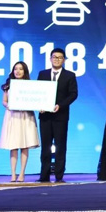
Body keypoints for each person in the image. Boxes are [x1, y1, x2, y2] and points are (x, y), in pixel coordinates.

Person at [37, 48, 78, 183]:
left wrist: (60, 105)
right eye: (54, 57)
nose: (57, 59)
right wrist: (39, 105)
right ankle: (44, 175)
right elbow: (37, 92)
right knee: (45, 146)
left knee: (60, 146)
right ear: (50, 59)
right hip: (45, 116)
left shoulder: (69, 75)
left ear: (64, 60)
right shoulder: (42, 74)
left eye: (60, 57)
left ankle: (59, 176)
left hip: (61, 116)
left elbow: (73, 94)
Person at [0, 61, 40, 182]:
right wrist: (9, 105)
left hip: (26, 116)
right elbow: (4, 101)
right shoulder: (8, 85)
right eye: (16, 69)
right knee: (14, 146)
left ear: (25, 71)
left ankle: (22, 173)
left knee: (25, 145)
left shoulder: (30, 86)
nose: (18, 71)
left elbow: (35, 100)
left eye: (21, 69)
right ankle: (13, 174)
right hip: (13, 116)